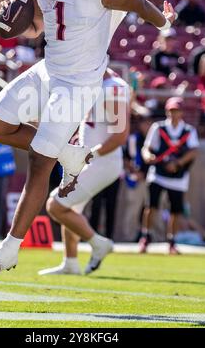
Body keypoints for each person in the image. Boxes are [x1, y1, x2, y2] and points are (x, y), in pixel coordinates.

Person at [0, 0, 176, 280]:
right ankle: (70, 154)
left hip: (78, 82)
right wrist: (9, 25)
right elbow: (37, 28)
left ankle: (7, 251)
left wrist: (162, 21)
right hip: (49, 69)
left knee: (39, 164)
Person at [39, 68, 130, 275]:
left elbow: (120, 135)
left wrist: (90, 156)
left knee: (56, 205)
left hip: (102, 162)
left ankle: (98, 243)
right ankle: (70, 263)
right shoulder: (96, 84)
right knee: (72, 209)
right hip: (93, 160)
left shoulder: (113, 87)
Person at [140, 97, 199, 254]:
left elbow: (193, 151)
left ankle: (172, 241)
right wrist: (147, 157)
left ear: (182, 112)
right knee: (151, 206)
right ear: (167, 111)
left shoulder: (189, 130)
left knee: (175, 211)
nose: (174, 113)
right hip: (157, 174)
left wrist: (178, 163)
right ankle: (146, 237)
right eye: (171, 110)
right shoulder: (158, 127)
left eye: (177, 110)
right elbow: (147, 148)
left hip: (178, 177)